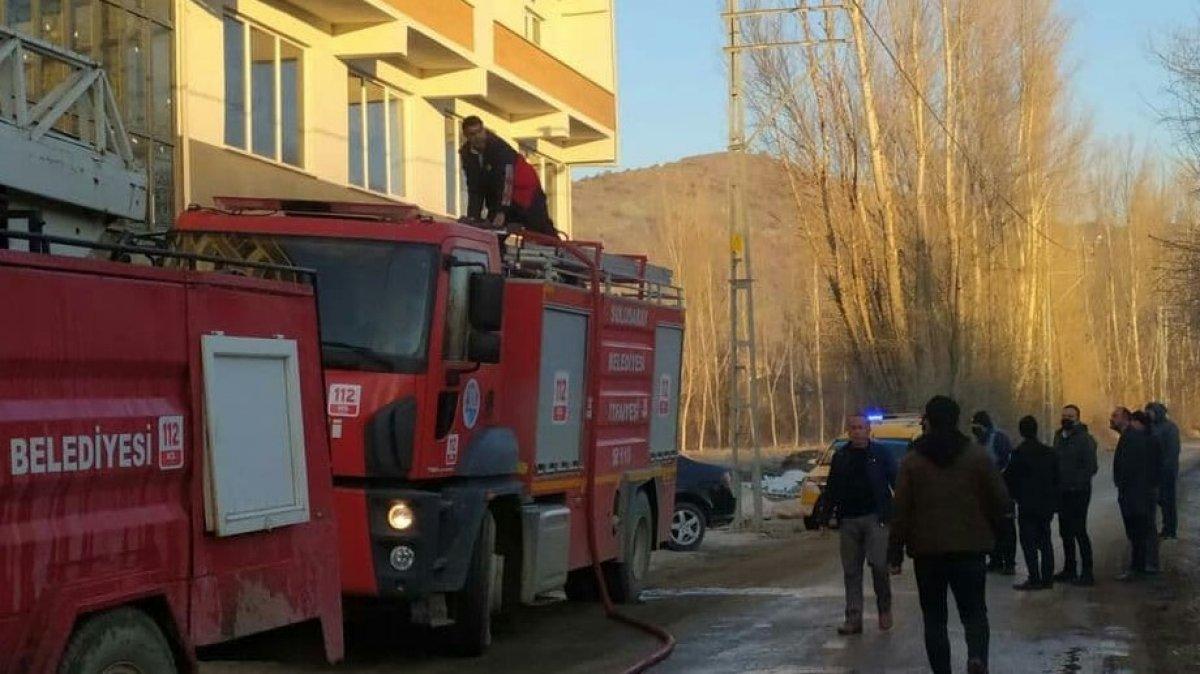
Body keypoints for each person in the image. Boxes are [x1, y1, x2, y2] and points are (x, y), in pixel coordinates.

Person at [890, 396, 1010, 674]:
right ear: (957, 420)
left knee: (934, 619)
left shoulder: (912, 461)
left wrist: (895, 553)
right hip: (971, 550)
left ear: (928, 422)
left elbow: (901, 510)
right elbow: (1001, 500)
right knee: (975, 613)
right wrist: (995, 534)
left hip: (927, 553)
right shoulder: (977, 456)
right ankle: (977, 657)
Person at [823, 414, 898, 635]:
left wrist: (899, 511)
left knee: (879, 566)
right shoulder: (841, 456)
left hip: (876, 517)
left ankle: (884, 609)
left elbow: (896, 481)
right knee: (851, 571)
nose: (857, 432)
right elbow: (832, 487)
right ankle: (853, 618)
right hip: (848, 520)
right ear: (848, 431)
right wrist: (826, 515)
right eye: (853, 428)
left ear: (869, 430)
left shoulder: (881, 454)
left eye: (861, 427)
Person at [458, 116, 557, 236]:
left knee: (540, 230)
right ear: (466, 136)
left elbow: (506, 180)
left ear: (484, 130)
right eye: (472, 134)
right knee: (493, 233)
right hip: (500, 196)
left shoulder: (499, 148)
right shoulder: (467, 155)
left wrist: (501, 211)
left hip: (525, 192)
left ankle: (561, 250)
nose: (477, 137)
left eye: (479, 131)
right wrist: (473, 218)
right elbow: (475, 188)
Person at [1006, 416, 1060, 590]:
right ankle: (1048, 578)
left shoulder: (1019, 453)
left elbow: (1010, 479)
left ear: (1021, 432)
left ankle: (1034, 577)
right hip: (1045, 504)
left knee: (1028, 543)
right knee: (1045, 541)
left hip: (1027, 504)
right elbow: (1057, 478)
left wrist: (1015, 497)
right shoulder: (1049, 452)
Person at [1053, 404, 1099, 586]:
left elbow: (1091, 467)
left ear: (1078, 418)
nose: (1067, 419)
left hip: (1079, 492)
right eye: (1064, 415)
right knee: (1065, 532)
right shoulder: (1058, 437)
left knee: (1079, 530)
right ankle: (1069, 568)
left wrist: (1075, 483)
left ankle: (1087, 572)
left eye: (1070, 416)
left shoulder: (1085, 439)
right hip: (1061, 492)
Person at [1111, 407, 1160, 581]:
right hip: (1134, 493)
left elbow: (1133, 468)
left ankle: (1139, 567)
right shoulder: (1130, 437)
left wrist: (1126, 487)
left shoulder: (1132, 438)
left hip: (1135, 494)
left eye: (1115, 416)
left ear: (1126, 419)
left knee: (1138, 531)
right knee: (1138, 531)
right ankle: (1141, 566)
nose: (1112, 420)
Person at [971, 411, 1016, 575]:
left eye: (976, 426)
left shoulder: (999, 438)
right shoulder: (977, 442)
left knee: (1006, 528)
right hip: (984, 492)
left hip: (1003, 489)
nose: (974, 430)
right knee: (991, 528)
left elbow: (1008, 462)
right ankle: (995, 559)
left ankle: (1009, 562)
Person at [1146, 402, 1181, 540]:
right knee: (1152, 502)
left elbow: (1172, 451)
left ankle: (1170, 530)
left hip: (1166, 472)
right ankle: (1151, 530)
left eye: (1150, 411)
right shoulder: (1150, 427)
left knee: (1167, 502)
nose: (1148, 414)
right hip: (1151, 472)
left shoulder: (1170, 428)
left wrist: (1165, 469)